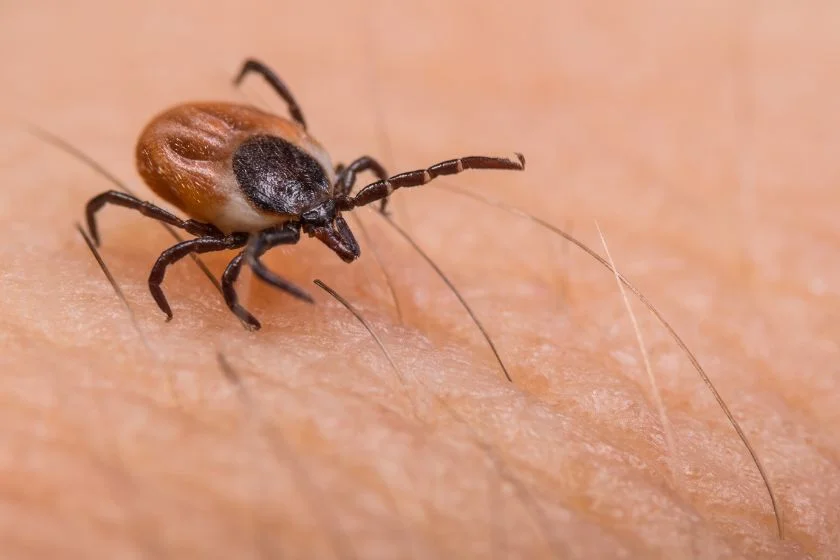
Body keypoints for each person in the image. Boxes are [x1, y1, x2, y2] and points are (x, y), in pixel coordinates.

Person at [0, 1, 835, 557]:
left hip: (263, 172)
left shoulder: (326, 182)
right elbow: (200, 257)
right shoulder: (239, 222)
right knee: (188, 247)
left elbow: (347, 177)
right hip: (197, 171)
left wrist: (321, 212)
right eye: (320, 226)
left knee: (307, 202)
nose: (333, 231)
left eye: (333, 211)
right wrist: (247, 309)